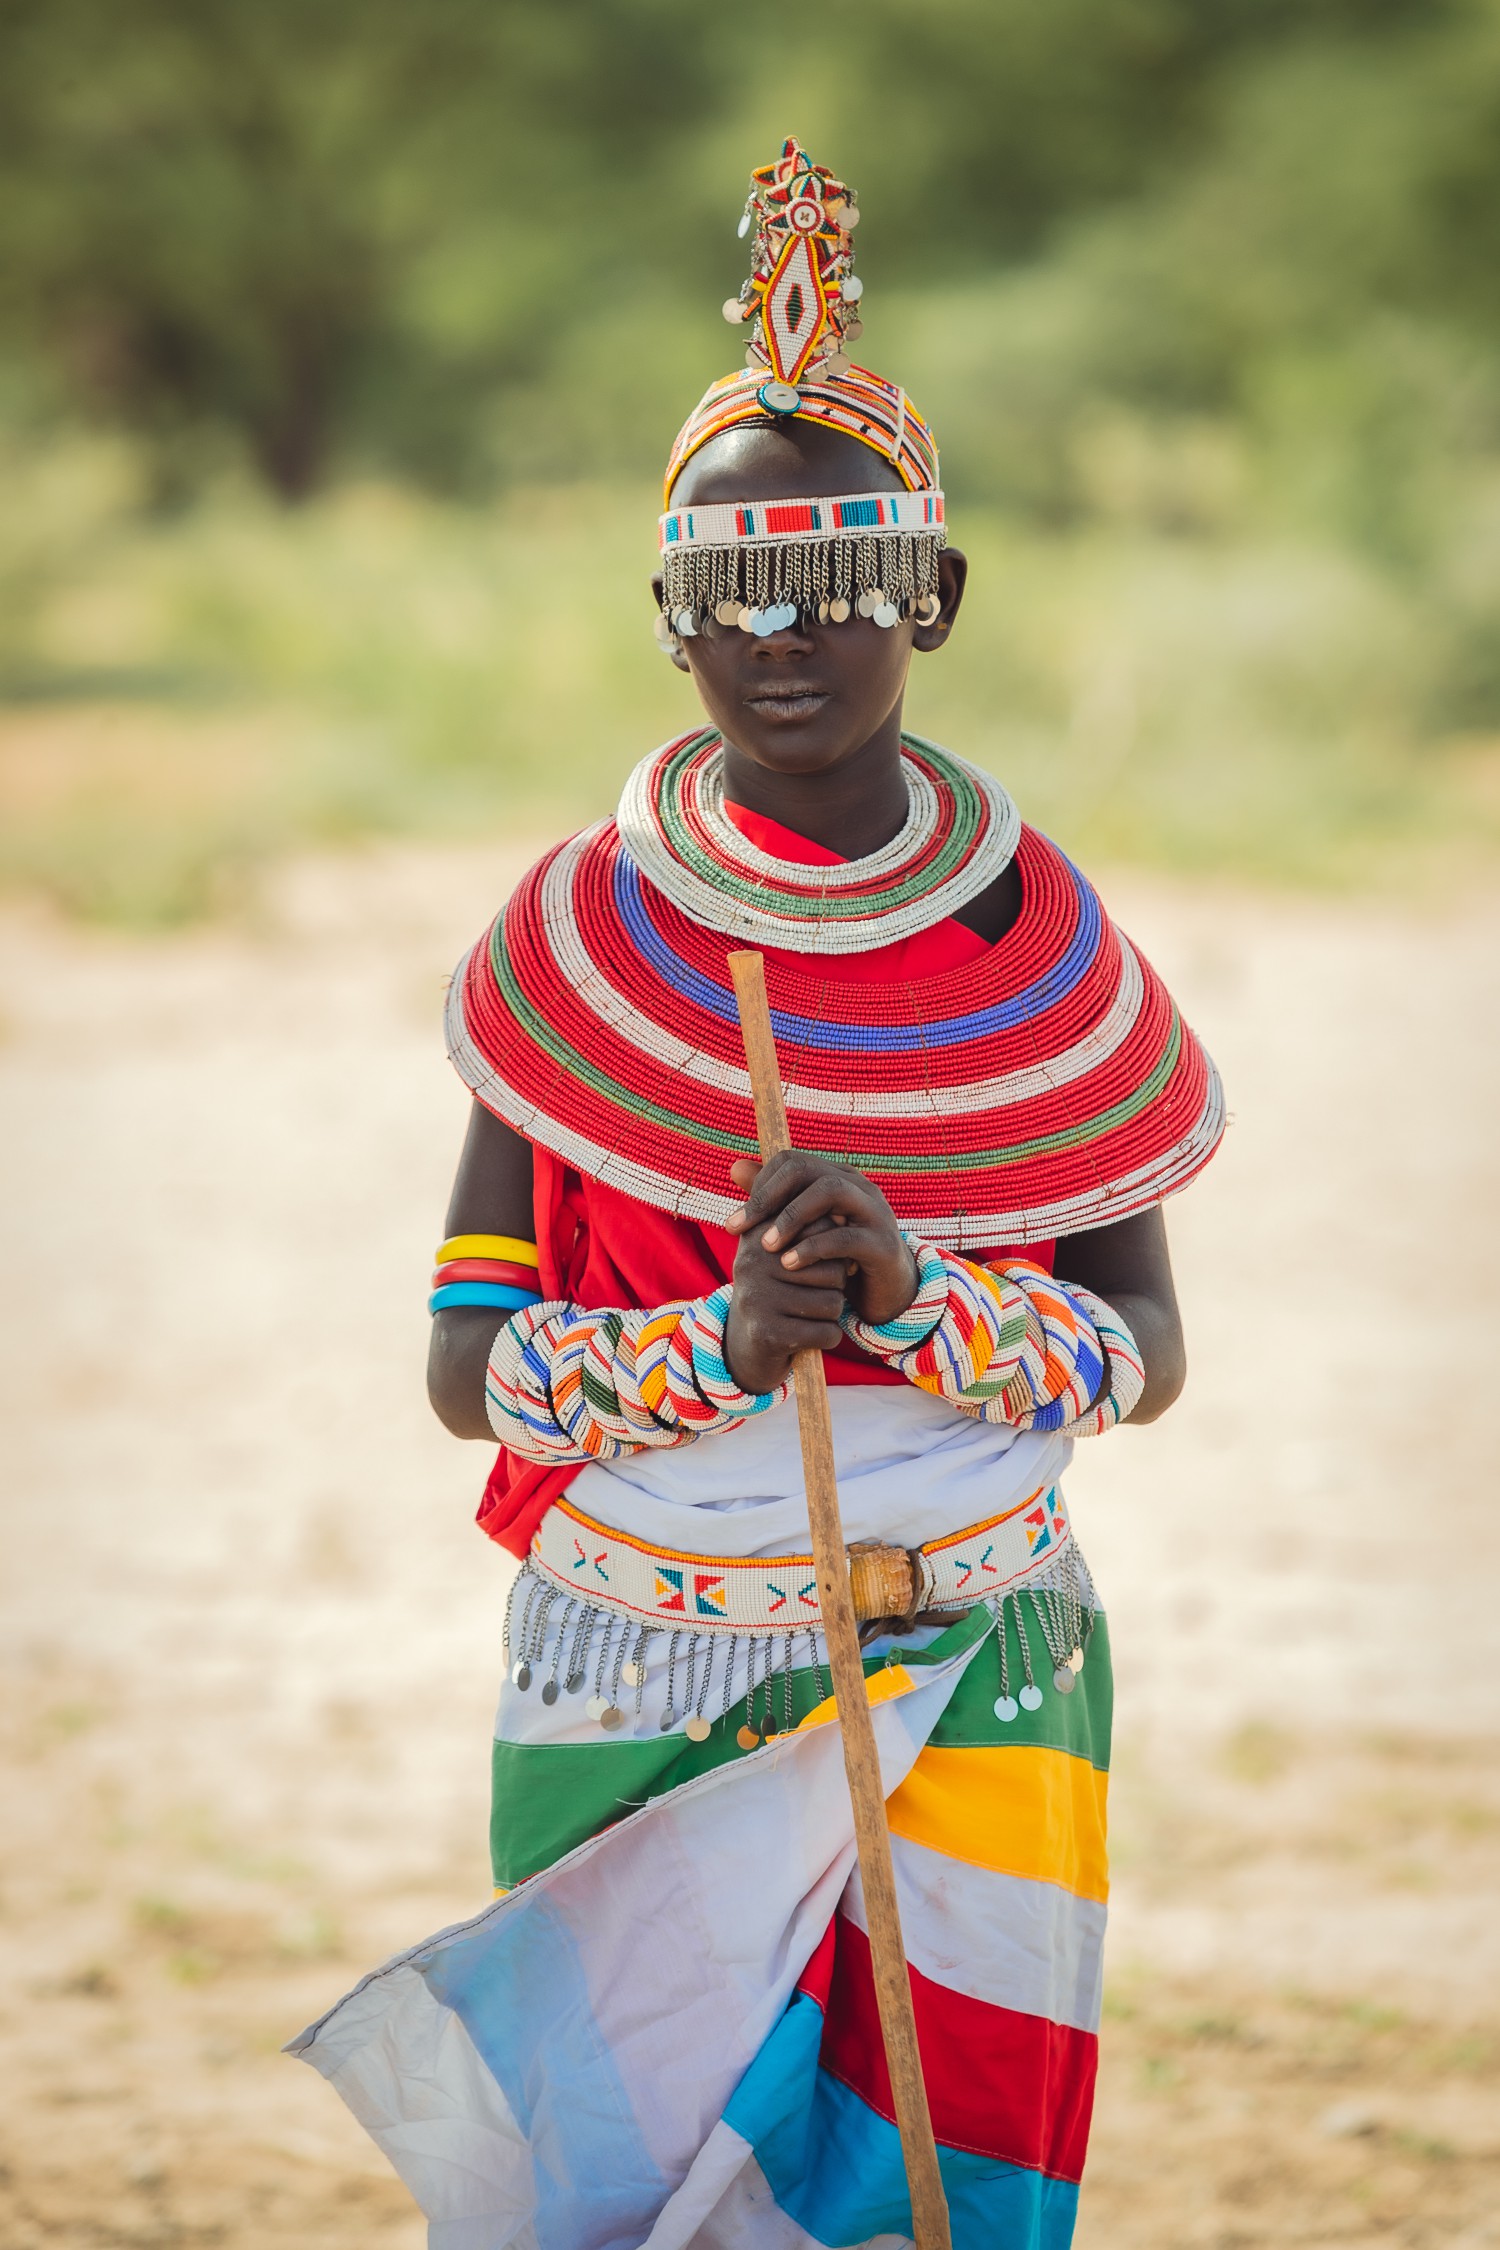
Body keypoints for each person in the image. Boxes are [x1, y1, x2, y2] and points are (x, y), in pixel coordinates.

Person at [291, 140, 1224, 2250]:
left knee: (936, 2193)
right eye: (728, 590)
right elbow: (469, 1374)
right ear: (663, 621)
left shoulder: (1042, 953)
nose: (782, 638)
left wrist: (920, 1301)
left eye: (839, 584)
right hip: (640, 1668)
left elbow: (1149, 1352)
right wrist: (717, 1346)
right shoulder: (577, 952)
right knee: (628, 2198)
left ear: (938, 602)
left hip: (978, 1653)